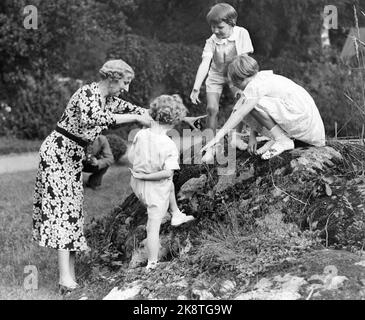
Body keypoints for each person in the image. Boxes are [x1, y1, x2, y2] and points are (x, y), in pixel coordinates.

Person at [33, 59, 152, 294]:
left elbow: (139, 111)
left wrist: (175, 118)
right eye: (125, 83)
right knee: (62, 213)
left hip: (72, 157)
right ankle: (65, 279)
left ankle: (69, 278)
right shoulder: (87, 93)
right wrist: (134, 119)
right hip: (57, 153)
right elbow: (96, 119)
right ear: (113, 77)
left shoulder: (108, 99)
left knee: (73, 213)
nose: (126, 89)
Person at [201, 54, 326, 160]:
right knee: (246, 101)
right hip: (307, 121)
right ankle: (276, 137)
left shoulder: (255, 86)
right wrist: (252, 136)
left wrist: (218, 136)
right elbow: (259, 109)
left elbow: (241, 113)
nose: (236, 87)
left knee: (245, 103)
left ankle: (282, 140)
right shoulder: (260, 78)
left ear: (240, 81)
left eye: (236, 84)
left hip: (302, 120)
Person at [128, 94, 195, 271]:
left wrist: (141, 172)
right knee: (152, 227)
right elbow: (166, 173)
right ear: (176, 121)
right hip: (154, 190)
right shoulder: (169, 145)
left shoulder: (140, 134)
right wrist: (147, 176)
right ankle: (152, 262)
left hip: (136, 184)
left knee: (169, 183)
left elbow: (131, 157)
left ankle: (176, 213)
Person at [190, 2, 253, 142]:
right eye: (212, 27)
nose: (215, 31)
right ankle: (210, 143)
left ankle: (237, 137)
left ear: (232, 23)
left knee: (241, 101)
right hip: (216, 76)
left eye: (220, 27)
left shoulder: (242, 34)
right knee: (212, 108)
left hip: (235, 74)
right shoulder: (211, 41)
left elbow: (244, 60)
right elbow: (205, 63)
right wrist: (196, 87)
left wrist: (244, 84)